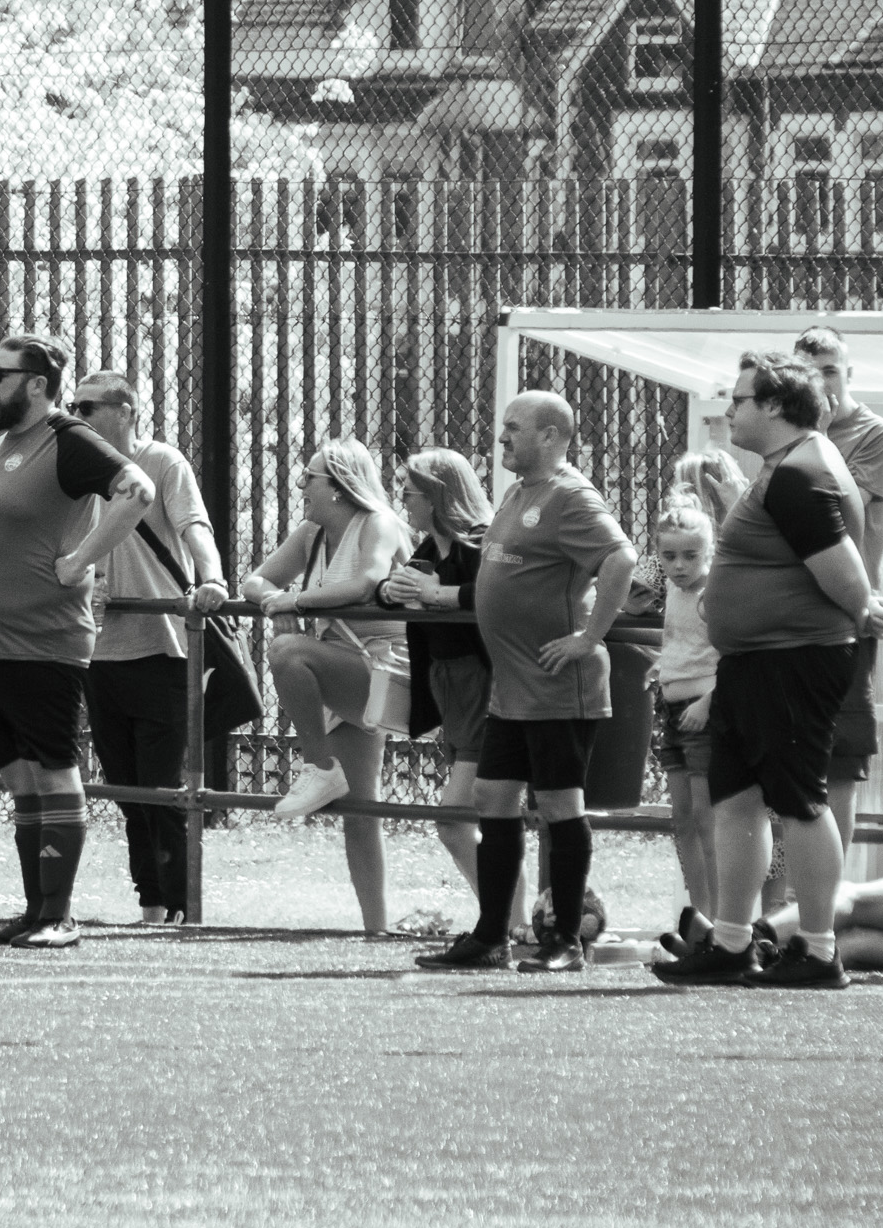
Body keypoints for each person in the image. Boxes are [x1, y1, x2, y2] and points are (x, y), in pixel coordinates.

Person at [654, 362, 883, 990]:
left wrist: (865, 609)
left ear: (778, 406)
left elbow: (846, 576)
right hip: (753, 662)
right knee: (736, 799)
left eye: (739, 401)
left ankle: (817, 949)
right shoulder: (783, 470)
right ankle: (733, 942)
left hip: (792, 659)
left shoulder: (801, 474)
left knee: (799, 800)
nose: (730, 411)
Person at [414, 392, 638, 975]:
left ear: (551, 436)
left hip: (559, 684)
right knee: (492, 798)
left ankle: (566, 939)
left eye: (514, 429)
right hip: (513, 688)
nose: (502, 438)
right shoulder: (517, 492)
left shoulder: (571, 496)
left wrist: (589, 637)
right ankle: (493, 936)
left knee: (561, 806)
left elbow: (621, 558)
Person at [0, 334, 158, 949]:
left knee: (53, 770)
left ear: (37, 385)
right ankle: (34, 910)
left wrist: (81, 562)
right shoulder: (4, 445)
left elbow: (138, 492)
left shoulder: (67, 439)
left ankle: (59, 916)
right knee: (18, 777)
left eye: (0, 374)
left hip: (43, 643)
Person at [240, 439, 413, 935]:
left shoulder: (377, 522)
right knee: (359, 810)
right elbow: (256, 581)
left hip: (385, 670)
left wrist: (295, 603)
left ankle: (318, 766)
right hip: (341, 665)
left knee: (286, 651)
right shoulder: (312, 532)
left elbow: (367, 584)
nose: (301, 488)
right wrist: (277, 596)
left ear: (338, 486)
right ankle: (376, 929)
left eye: (307, 478)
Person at [76, 370, 228, 926]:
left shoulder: (163, 462)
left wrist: (211, 579)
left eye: (87, 407)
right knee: (126, 792)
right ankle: (151, 903)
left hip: (161, 650)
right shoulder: (81, 470)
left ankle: (184, 905)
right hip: (98, 652)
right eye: (72, 406)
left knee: (163, 790)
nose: (76, 415)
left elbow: (195, 528)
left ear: (125, 411)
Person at [381, 447, 519, 938]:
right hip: (449, 687)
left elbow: (489, 596)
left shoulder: (480, 545)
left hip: (485, 688)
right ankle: (507, 920)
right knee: (471, 817)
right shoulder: (427, 548)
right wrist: (391, 590)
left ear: (438, 496)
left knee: (455, 818)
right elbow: (395, 586)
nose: (404, 503)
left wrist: (434, 592)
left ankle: (507, 921)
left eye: (410, 493)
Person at [798, 326, 883, 848]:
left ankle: (828, 910)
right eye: (808, 376)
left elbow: (833, 509)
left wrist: (808, 434)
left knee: (839, 764)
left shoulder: (879, 434)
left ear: (849, 372)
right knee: (787, 759)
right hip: (789, 621)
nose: (822, 386)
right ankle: (778, 906)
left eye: (830, 373)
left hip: (847, 618)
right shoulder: (788, 437)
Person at [645, 493, 721, 950]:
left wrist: (708, 702)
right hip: (672, 707)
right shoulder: (672, 590)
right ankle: (699, 919)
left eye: (691, 556)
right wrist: (660, 667)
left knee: (706, 819)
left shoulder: (715, 594)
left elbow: (735, 657)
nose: (679, 566)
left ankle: (719, 923)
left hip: (702, 712)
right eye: (669, 556)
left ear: (709, 552)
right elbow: (679, 643)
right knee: (682, 820)